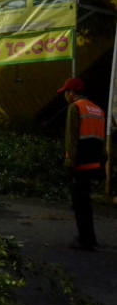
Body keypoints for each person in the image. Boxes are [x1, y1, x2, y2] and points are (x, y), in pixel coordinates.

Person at [58, 77, 105, 251]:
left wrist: (69, 161)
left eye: (65, 92)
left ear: (71, 92)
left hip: (80, 163)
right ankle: (90, 237)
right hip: (94, 163)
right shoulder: (98, 110)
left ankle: (85, 240)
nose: (65, 96)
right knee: (86, 202)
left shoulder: (75, 107)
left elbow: (71, 137)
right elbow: (102, 138)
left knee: (79, 203)